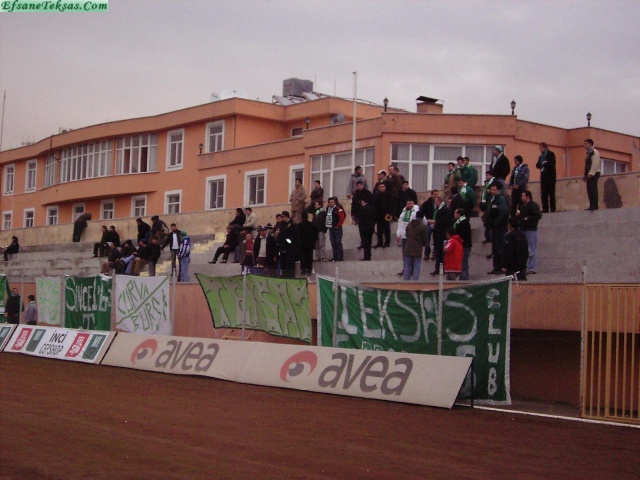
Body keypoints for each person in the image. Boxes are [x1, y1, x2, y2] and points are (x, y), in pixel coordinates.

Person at [517, 190, 542, 274]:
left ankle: (532, 268)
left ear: (528, 197)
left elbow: (538, 215)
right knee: (523, 249)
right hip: (523, 229)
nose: (521, 197)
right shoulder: (522, 206)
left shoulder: (533, 205)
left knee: (531, 249)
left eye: (523, 196)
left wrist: (528, 218)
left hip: (531, 229)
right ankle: (523, 267)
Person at [427, 194, 453, 275]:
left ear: (439, 201)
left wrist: (435, 222)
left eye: (436, 201)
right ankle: (437, 268)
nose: (435, 203)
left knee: (441, 252)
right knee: (438, 251)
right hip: (437, 233)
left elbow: (446, 221)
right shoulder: (438, 209)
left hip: (442, 234)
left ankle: (442, 269)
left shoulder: (445, 210)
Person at [486, 183, 509, 274]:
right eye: (491, 190)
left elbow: (503, 212)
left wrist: (496, 223)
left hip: (499, 228)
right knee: (495, 248)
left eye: (494, 190)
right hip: (494, 227)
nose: (492, 191)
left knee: (500, 247)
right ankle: (496, 267)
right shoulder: (494, 199)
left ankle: (501, 267)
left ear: (498, 190)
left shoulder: (500, 199)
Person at [403, 211, 427, 281]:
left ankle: (406, 283)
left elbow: (406, 234)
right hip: (417, 249)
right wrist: (424, 244)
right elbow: (425, 239)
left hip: (408, 248)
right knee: (417, 267)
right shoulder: (423, 226)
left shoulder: (410, 224)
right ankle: (415, 283)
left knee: (407, 267)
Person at [277, 211, 300, 276]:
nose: (282, 219)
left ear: (286, 216)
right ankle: (284, 276)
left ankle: (290, 277)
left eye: (283, 217)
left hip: (290, 248)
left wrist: (287, 241)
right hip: (282, 248)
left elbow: (293, 237)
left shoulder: (293, 224)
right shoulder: (282, 224)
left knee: (289, 265)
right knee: (283, 265)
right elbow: (281, 235)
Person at [536, 142, 557, 213]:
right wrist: (542, 164)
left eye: (541, 148)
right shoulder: (540, 157)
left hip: (550, 177)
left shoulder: (551, 154)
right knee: (544, 193)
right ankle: (545, 208)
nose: (540, 149)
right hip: (543, 177)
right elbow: (537, 165)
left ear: (545, 147)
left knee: (551, 193)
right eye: (540, 148)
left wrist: (546, 163)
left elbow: (552, 163)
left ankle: (553, 208)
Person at [453, 208, 472, 281]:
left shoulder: (463, 223)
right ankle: (462, 277)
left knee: (464, 263)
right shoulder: (460, 222)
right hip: (463, 245)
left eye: (455, 213)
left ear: (459, 214)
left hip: (464, 246)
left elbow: (462, 236)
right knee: (462, 262)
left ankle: (465, 278)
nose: (454, 215)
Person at [372, 182, 392, 248]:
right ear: (378, 188)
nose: (382, 188)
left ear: (385, 187)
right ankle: (379, 243)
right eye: (380, 187)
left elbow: (391, 205)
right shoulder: (376, 196)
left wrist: (390, 213)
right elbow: (374, 206)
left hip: (386, 215)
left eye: (383, 187)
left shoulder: (389, 195)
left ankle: (387, 242)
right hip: (379, 215)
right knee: (379, 230)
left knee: (386, 230)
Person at [325, 197, 346, 262]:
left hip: (337, 228)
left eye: (333, 202)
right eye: (330, 202)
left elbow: (342, 217)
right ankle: (335, 257)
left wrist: (338, 225)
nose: (331, 203)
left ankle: (340, 257)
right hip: (331, 228)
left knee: (338, 242)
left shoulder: (338, 208)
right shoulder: (328, 209)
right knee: (333, 243)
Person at [420, 190, 438, 260]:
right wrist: (426, 220)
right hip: (428, 223)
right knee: (427, 239)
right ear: (431, 194)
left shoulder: (439, 204)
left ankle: (435, 253)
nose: (436, 196)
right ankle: (427, 253)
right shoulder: (426, 203)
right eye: (435, 194)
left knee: (436, 239)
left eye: (437, 194)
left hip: (436, 223)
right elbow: (422, 212)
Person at [583, 138, 601, 211]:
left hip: (594, 173)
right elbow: (587, 165)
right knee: (589, 189)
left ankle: (594, 205)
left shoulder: (594, 152)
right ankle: (591, 205)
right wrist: (585, 174)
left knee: (593, 189)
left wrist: (591, 173)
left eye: (586, 144)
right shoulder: (588, 153)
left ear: (590, 144)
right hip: (589, 174)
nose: (584, 145)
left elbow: (595, 163)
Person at [358, 196, 377, 261]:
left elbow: (362, 220)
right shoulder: (372, 208)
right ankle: (368, 255)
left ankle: (366, 256)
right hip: (370, 228)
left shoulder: (363, 209)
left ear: (363, 201)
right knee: (369, 242)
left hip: (364, 229)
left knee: (365, 243)